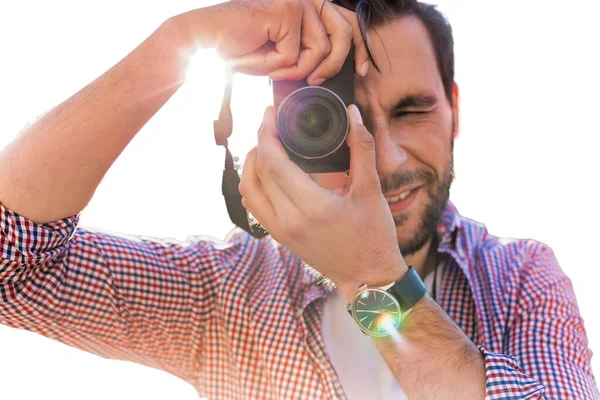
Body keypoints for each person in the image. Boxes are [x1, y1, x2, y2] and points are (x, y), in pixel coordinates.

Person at [0, 0, 597, 398]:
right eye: (346, 118)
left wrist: (372, 280)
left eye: (412, 111)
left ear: (455, 109)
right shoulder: (225, 292)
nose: (385, 157)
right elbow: (11, 269)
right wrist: (178, 44)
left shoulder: (522, 278)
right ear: (286, 124)